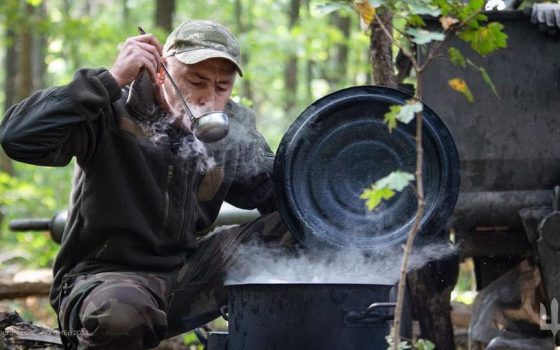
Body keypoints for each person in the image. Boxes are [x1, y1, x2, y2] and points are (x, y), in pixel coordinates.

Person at [0, 19, 290, 349]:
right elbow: (17, 138)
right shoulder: (110, 108)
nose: (209, 98)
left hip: (187, 277)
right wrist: (109, 80)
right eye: (196, 81)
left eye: (222, 87)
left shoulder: (234, 127)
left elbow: (279, 194)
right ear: (162, 72)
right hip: (104, 281)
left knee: (299, 223)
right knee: (123, 315)